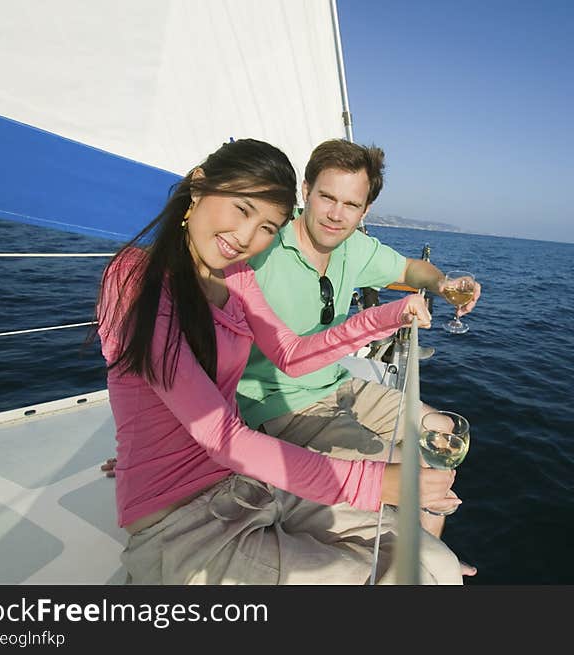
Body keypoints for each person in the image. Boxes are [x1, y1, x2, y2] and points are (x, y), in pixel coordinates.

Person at [95, 138, 463, 584]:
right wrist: (373, 483)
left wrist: (386, 316)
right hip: (179, 522)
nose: (247, 238)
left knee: (436, 566)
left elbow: (291, 355)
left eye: (268, 227)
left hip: (247, 484)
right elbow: (218, 433)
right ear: (198, 189)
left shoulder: (237, 274)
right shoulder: (135, 278)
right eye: (242, 209)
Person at [235, 139, 481, 571]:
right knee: (417, 476)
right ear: (306, 190)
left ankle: (420, 553)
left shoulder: (354, 247)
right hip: (281, 403)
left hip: (339, 384)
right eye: (326, 197)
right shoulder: (266, 246)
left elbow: (410, 270)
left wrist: (442, 283)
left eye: (351, 204)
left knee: (442, 430)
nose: (335, 214)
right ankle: (424, 562)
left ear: (365, 211)